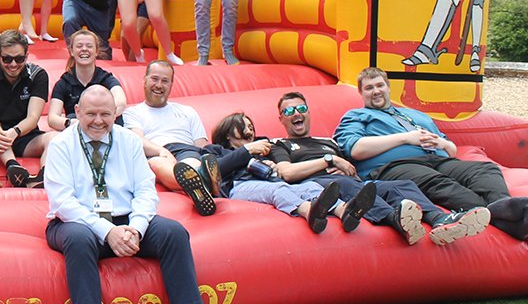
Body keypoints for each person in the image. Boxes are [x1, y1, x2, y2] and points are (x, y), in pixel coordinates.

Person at [44, 86, 204, 304]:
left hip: (127, 220)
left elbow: (145, 190)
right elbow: (63, 202)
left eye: (105, 114)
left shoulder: (128, 140)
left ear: (115, 114)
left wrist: (137, 229)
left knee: (174, 232)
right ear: (77, 111)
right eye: (91, 114)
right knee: (79, 238)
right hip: (76, 222)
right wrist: (108, 232)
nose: (99, 121)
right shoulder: (61, 145)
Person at [270, 91, 489, 245]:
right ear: (281, 119)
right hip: (320, 185)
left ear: (308, 112)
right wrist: (330, 161)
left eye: (301, 108)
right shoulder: (280, 144)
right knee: (346, 184)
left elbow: (353, 165)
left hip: (354, 182)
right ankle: (395, 219)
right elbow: (287, 173)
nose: (296, 114)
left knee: (401, 185)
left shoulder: (329, 141)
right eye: (289, 111)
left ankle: (438, 220)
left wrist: (346, 165)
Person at [334, 67, 528, 240]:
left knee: (484, 169)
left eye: (380, 85)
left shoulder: (417, 116)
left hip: (436, 158)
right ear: (361, 92)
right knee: (435, 180)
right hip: (395, 167)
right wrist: (405, 138)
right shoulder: (356, 116)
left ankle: (502, 207)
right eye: (369, 88)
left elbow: (451, 151)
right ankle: (501, 214)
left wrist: (441, 142)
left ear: (388, 87)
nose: (376, 91)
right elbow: (356, 149)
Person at [209, 113, 376, 234]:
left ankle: (345, 211)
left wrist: (272, 166)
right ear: (229, 132)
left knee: (310, 187)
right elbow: (217, 168)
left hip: (271, 181)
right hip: (238, 185)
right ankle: (309, 211)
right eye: (244, 126)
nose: (250, 131)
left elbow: (285, 168)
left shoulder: (264, 148)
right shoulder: (216, 150)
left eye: (252, 127)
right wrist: (246, 151)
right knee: (277, 190)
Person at [122, 60, 218, 215]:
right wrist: (162, 151)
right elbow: (137, 139)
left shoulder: (187, 111)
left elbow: (201, 146)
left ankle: (197, 180)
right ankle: (202, 184)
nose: (159, 85)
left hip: (185, 150)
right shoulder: (133, 113)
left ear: (171, 85)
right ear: (145, 80)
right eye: (154, 79)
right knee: (155, 163)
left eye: (165, 81)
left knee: (190, 162)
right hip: (156, 153)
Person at [0, 30, 58, 187]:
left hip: (22, 134)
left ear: (26, 56)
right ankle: (12, 165)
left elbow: (33, 117)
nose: (13, 64)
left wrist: (14, 132)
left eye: (19, 58)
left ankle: (43, 177)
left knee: (54, 138)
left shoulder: (37, 75)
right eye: (7, 59)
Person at [47, 30, 128, 131]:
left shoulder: (106, 78)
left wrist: (99, 118)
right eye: (79, 46)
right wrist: (74, 122)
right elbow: (52, 118)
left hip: (104, 129)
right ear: (71, 51)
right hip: (78, 130)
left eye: (89, 46)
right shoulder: (64, 83)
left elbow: (121, 102)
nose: (84, 49)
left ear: (96, 51)